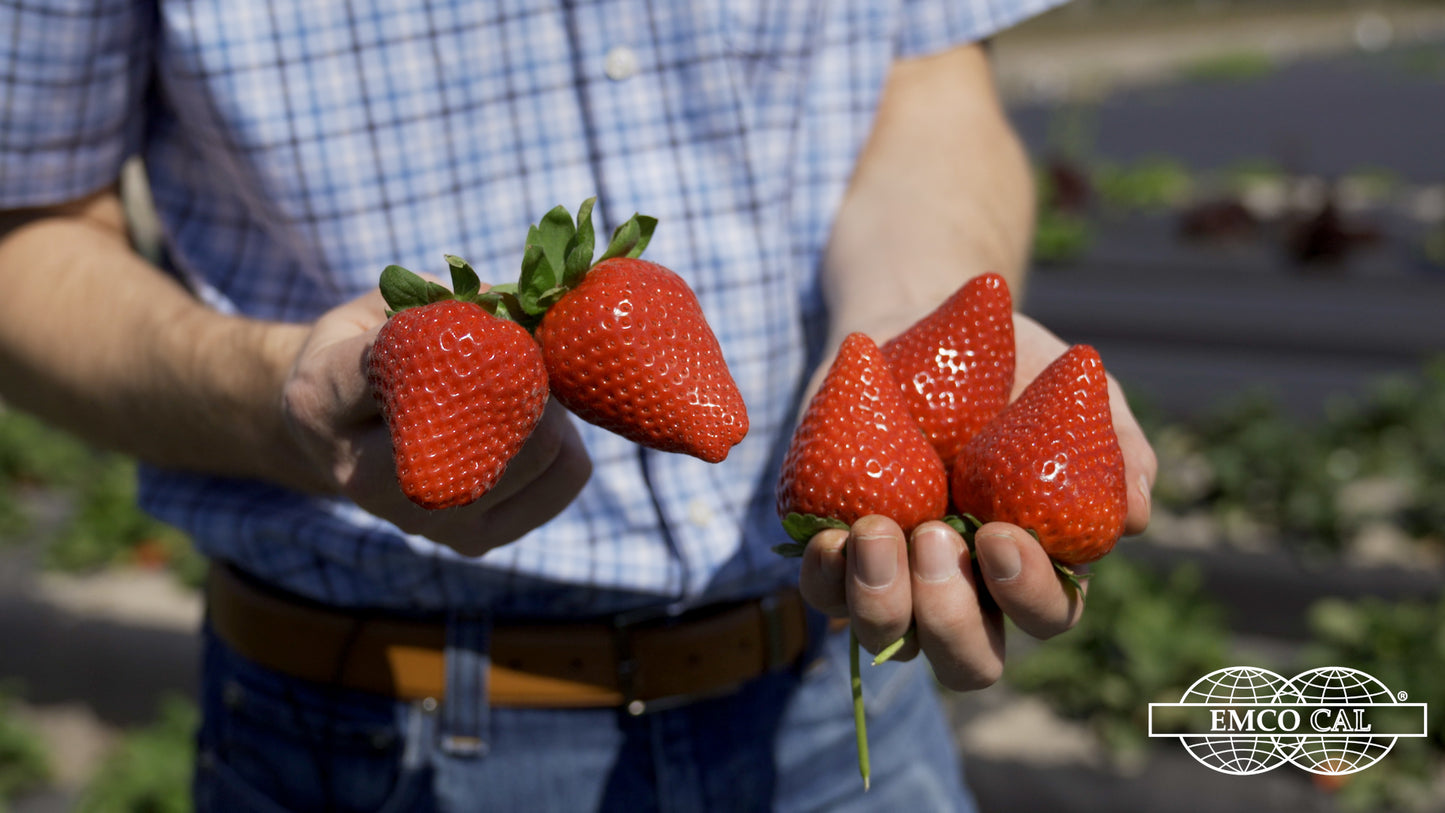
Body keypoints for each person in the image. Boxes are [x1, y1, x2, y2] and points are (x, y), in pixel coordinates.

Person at [0, 0, 1156, 810]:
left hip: (827, 700)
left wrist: (913, 359)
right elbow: (26, 234)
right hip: (382, 740)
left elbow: (928, 87)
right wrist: (282, 404)